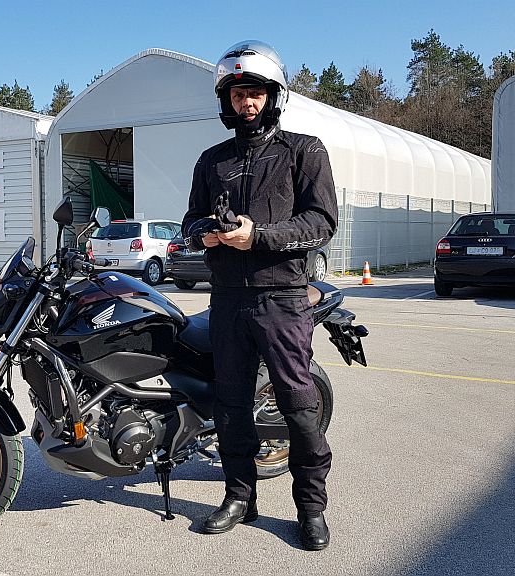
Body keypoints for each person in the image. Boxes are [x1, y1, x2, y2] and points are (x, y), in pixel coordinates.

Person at [181, 40, 338, 551]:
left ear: (273, 96)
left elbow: (321, 222)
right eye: (237, 94)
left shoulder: (304, 150)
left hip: (283, 298)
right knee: (230, 405)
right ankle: (239, 497)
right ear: (225, 100)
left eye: (255, 93)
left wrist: (260, 237)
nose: (246, 102)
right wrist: (204, 233)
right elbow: (190, 221)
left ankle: (310, 509)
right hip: (227, 299)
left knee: (297, 404)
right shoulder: (212, 160)